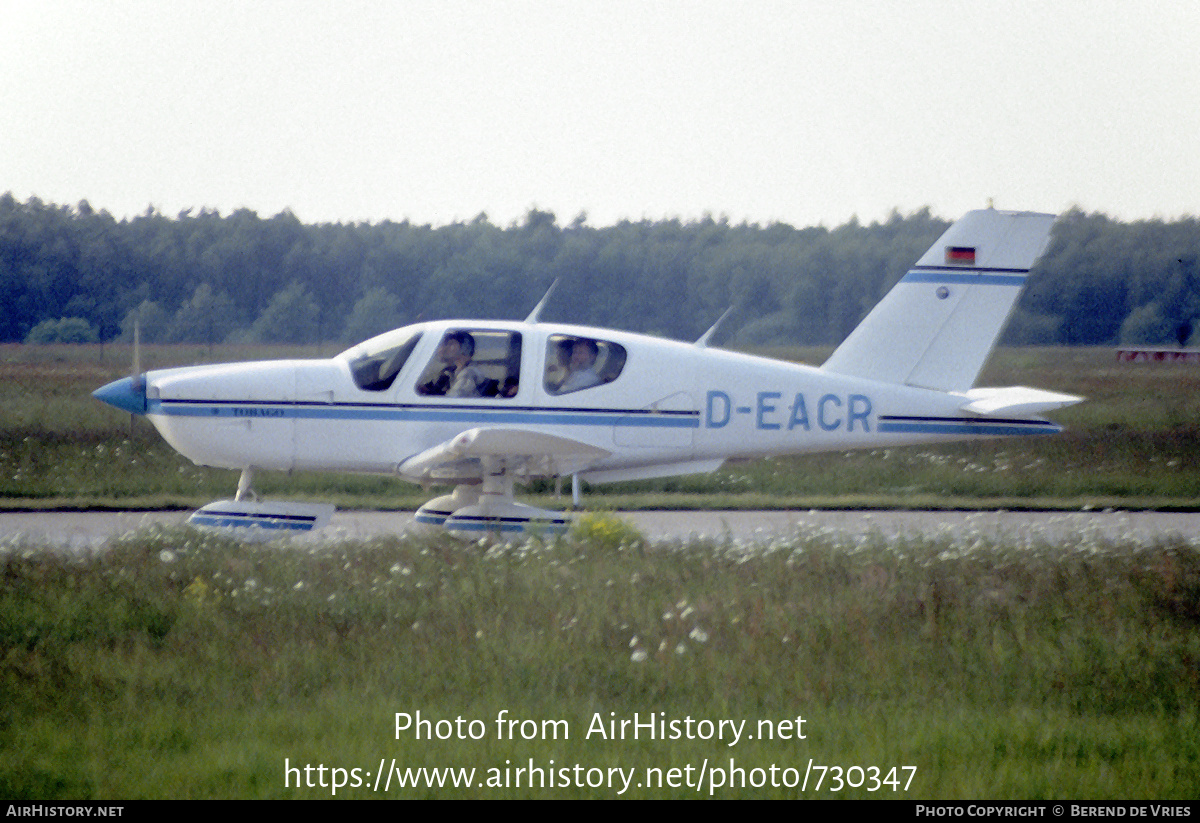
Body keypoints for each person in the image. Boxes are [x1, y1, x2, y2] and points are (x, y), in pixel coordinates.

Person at [419, 331, 485, 397]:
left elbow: (451, 400)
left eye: (450, 344)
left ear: (464, 348)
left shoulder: (469, 374)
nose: (443, 348)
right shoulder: (449, 372)